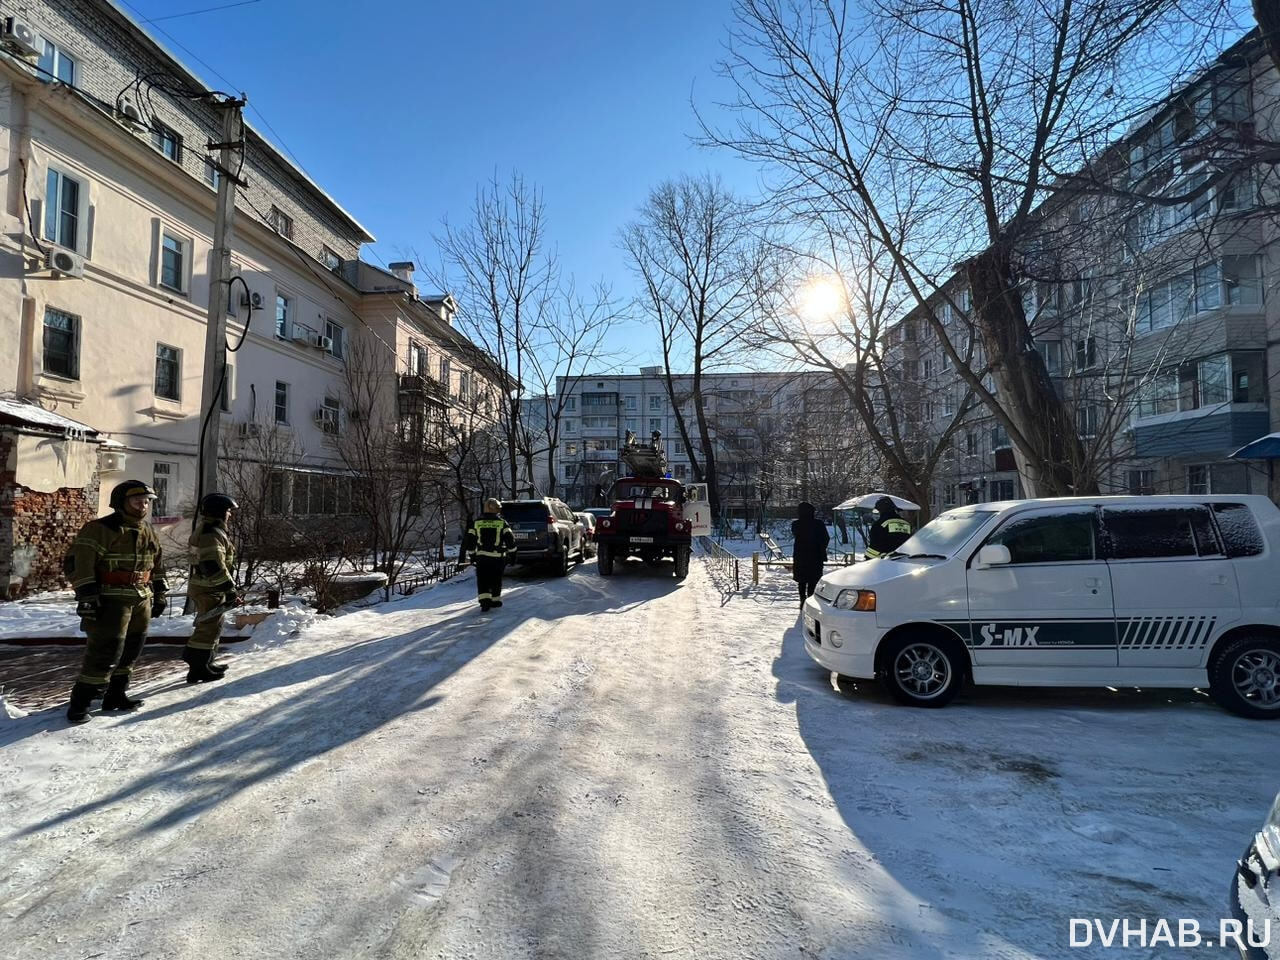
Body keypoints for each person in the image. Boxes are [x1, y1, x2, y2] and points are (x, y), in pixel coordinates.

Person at [64, 479, 167, 724]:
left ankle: (116, 695)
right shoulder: (100, 528)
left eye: (146, 501)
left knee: (132, 648)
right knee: (106, 650)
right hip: (110, 599)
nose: (142, 505)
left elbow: (157, 565)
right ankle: (80, 703)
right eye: (136, 500)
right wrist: (87, 595)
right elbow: (78, 562)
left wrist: (160, 592)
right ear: (121, 502)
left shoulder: (148, 531)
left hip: (141, 597)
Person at [184, 493, 240, 684]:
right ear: (218, 512)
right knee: (207, 628)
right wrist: (228, 588)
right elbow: (213, 565)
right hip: (209, 588)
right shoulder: (211, 534)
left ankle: (206, 662)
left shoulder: (212, 530)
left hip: (209, 587)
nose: (230, 515)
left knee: (213, 626)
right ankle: (197, 668)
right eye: (228, 511)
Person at [464, 498, 516, 612]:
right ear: (496, 509)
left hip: (482, 557)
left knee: (483, 580)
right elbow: (510, 540)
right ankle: (495, 600)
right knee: (496, 579)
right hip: (497, 558)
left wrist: (472, 555)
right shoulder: (502, 523)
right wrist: (513, 555)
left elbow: (470, 540)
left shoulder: (477, 523)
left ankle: (484, 602)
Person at [791, 501, 830, 609]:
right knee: (813, 580)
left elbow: (796, 534)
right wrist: (821, 549)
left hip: (800, 557)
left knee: (801, 581)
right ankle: (810, 601)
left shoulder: (796, 524)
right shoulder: (819, 524)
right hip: (815, 557)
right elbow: (826, 538)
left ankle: (802, 600)